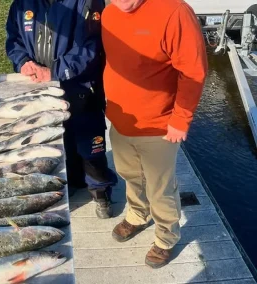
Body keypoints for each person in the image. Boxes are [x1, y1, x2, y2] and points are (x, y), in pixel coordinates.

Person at [101, 0, 208, 268]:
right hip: (121, 119)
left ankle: (165, 238)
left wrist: (181, 119)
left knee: (160, 188)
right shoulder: (109, 12)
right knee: (130, 175)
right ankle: (137, 214)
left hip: (159, 124)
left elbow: (193, 71)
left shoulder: (175, 11)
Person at [5, 0, 118, 218]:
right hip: (42, 90)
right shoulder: (21, 4)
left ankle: (101, 192)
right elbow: (13, 39)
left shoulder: (88, 2)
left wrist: (56, 71)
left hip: (81, 87)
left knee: (90, 148)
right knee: (51, 144)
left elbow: (91, 46)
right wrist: (23, 62)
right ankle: (68, 183)